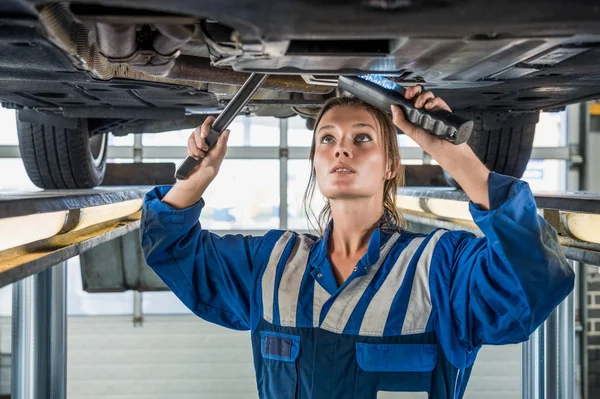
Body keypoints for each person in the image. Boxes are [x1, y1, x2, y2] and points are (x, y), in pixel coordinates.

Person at [140, 86, 575, 399]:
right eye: (327, 139)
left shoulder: (437, 267)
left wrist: (453, 154)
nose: (340, 150)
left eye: (362, 138)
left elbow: (536, 278)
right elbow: (173, 250)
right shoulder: (272, 264)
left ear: (390, 165)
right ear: (314, 161)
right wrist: (197, 178)